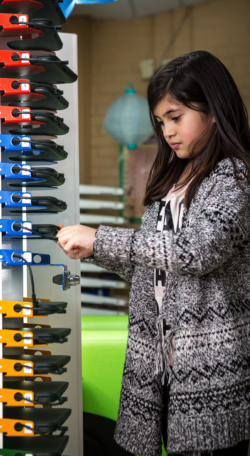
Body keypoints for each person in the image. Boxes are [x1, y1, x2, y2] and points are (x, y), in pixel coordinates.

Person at [57, 50, 250, 456]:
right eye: (160, 122)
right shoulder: (172, 182)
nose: (167, 132)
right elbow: (157, 266)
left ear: (213, 110)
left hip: (207, 372)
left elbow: (197, 251)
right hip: (157, 366)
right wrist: (90, 249)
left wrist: (102, 238)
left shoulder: (235, 177)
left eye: (176, 117)